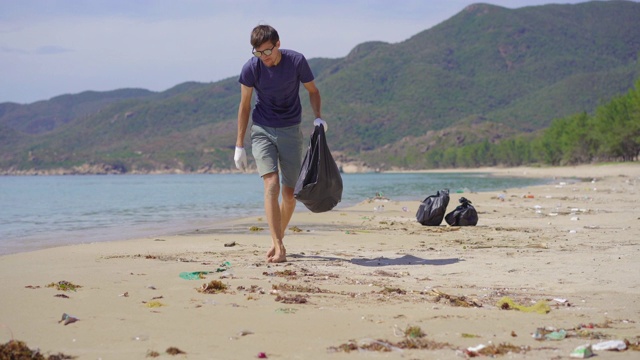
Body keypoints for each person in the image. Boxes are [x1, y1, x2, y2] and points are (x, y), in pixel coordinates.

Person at [234, 24, 326, 263]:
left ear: (278, 44)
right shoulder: (251, 68)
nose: (263, 57)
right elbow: (244, 106)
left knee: (289, 194)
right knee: (271, 184)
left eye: (267, 51)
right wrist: (239, 145)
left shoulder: (296, 62)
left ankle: (278, 237)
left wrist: (317, 117)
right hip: (262, 129)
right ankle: (278, 245)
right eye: (258, 52)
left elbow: (313, 91)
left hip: (291, 131)